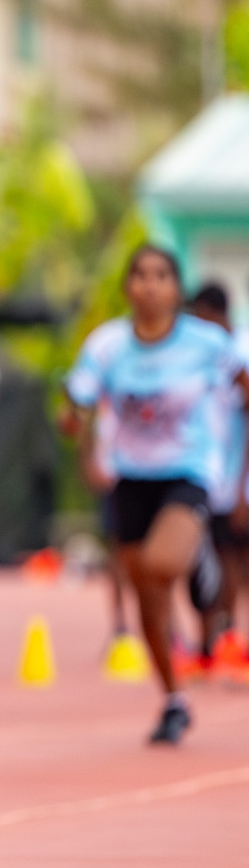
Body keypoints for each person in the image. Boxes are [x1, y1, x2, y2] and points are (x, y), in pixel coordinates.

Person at [64, 246, 249, 744]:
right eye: (140, 276)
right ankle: (172, 698)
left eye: (161, 276)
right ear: (127, 286)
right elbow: (79, 402)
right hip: (131, 477)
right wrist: (74, 422)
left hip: (189, 470)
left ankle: (201, 558)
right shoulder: (107, 346)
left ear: (176, 288)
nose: (149, 285)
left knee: (162, 564)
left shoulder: (207, 343)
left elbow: (243, 382)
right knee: (147, 594)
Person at [191, 283, 249, 665]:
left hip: (233, 479)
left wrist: (242, 485)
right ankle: (211, 638)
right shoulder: (201, 354)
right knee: (208, 556)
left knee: (231, 558)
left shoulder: (237, 352)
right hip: (205, 475)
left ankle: (226, 634)